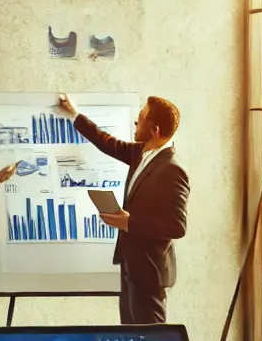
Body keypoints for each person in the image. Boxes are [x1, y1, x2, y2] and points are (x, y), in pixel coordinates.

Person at [57, 93, 190, 325]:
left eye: (141, 118)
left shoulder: (172, 169)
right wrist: (74, 114)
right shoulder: (142, 154)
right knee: (129, 334)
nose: (136, 124)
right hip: (131, 265)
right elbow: (107, 143)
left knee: (150, 340)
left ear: (155, 130)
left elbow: (176, 226)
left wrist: (128, 223)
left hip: (149, 272)